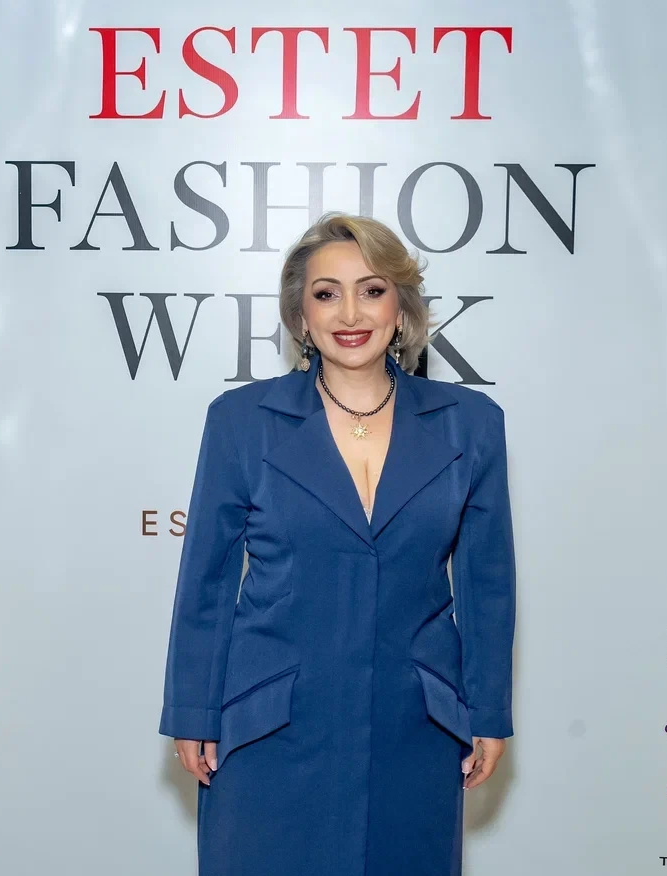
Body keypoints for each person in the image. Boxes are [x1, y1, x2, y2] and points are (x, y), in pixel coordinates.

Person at [158, 212, 516, 876]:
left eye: (372, 290)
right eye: (327, 293)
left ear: (401, 309)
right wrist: (193, 710)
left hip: (414, 729)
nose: (350, 313)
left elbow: (487, 584)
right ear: (301, 315)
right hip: (270, 728)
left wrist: (489, 710)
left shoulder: (471, 425)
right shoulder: (241, 422)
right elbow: (206, 582)